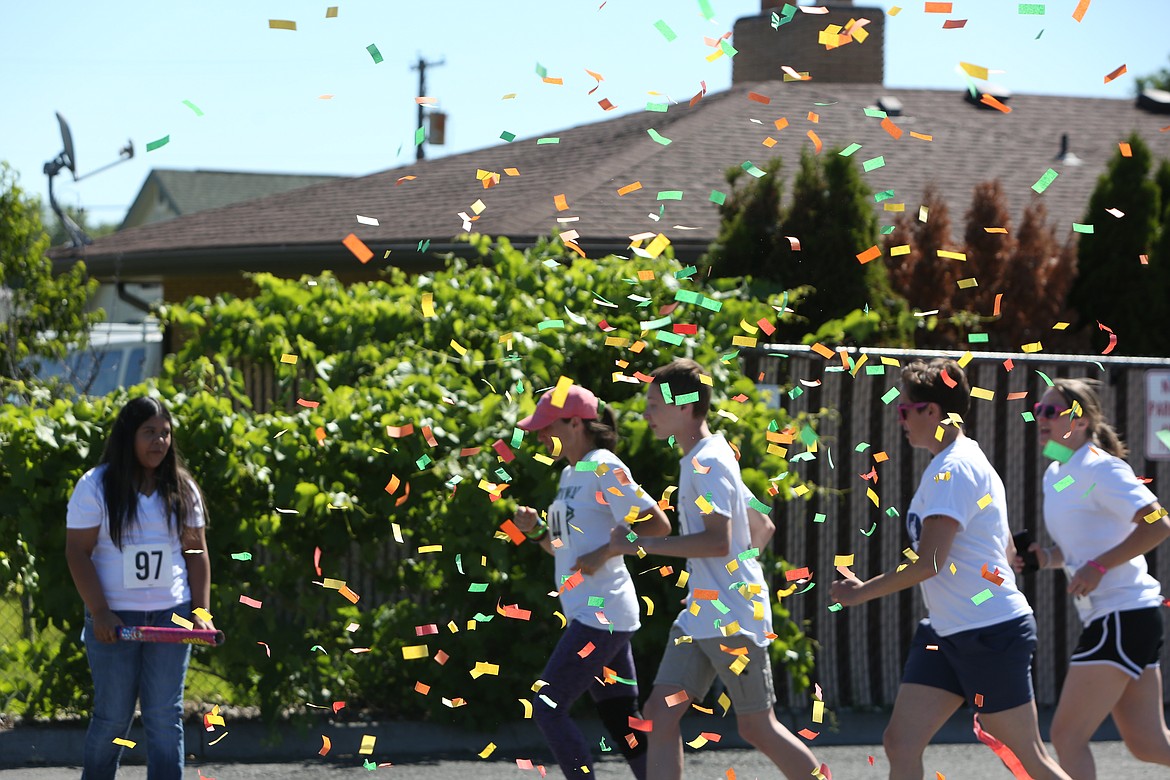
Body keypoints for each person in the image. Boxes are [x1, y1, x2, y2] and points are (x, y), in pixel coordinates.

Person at [829, 358, 1071, 780]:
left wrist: (859, 592)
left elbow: (931, 562)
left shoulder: (954, 468)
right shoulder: (954, 461)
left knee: (1029, 758)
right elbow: (1000, 543)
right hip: (944, 631)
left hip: (991, 632)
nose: (900, 419)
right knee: (900, 742)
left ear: (933, 412)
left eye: (905, 410)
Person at [605, 358, 823, 780]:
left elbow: (718, 540)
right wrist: (722, 579)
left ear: (685, 406)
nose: (646, 413)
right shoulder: (709, 455)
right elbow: (761, 525)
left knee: (757, 726)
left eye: (654, 404)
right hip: (706, 612)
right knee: (658, 715)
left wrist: (640, 545)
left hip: (730, 618)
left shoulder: (706, 462)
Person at [512, 383, 671, 779]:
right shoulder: (570, 472)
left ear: (576, 422)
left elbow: (659, 525)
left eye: (548, 424)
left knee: (548, 705)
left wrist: (608, 552)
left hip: (601, 614)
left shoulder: (604, 465)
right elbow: (562, 551)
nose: (541, 433)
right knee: (621, 717)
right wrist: (534, 533)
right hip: (593, 612)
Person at [1016, 377, 1170, 779]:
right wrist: (1044, 557)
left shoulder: (1101, 467)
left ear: (1080, 421)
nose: (1042, 419)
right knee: (1149, 744)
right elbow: (1081, 548)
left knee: (1067, 735)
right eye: (1039, 411)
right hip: (1126, 618)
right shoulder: (1057, 471)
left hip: (1121, 615)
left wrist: (1099, 567)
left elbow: (1158, 523)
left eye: (1052, 411)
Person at [65, 397, 213, 780]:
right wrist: (99, 611)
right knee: (113, 717)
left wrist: (201, 613)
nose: (159, 442)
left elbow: (196, 554)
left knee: (164, 715)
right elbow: (77, 553)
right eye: (149, 432)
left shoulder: (183, 488)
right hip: (113, 618)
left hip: (171, 616)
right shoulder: (95, 486)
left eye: (165, 434)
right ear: (128, 436)